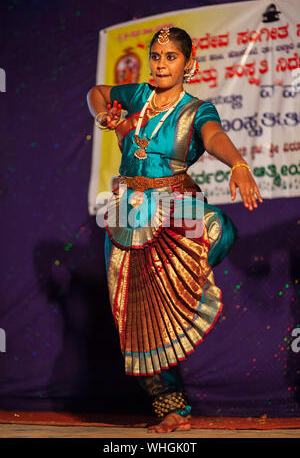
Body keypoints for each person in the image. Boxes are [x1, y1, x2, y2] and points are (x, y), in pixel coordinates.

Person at [86, 26, 263, 433]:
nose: (161, 64)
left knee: (220, 231)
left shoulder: (196, 109)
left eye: (171, 57)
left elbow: (214, 136)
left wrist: (237, 164)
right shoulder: (137, 96)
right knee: (134, 315)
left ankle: (180, 280)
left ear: (189, 64)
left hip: (173, 208)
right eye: (156, 56)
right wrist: (104, 113)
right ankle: (173, 409)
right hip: (127, 217)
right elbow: (97, 91)